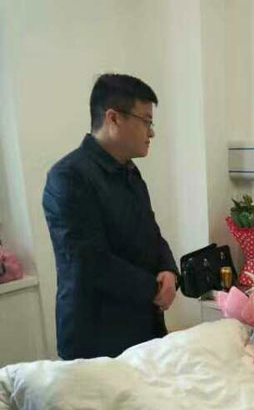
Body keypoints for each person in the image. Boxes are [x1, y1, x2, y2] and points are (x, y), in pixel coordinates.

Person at [43, 73, 179, 360]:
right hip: (96, 336)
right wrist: (154, 288)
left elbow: (150, 231)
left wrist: (169, 270)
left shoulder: (129, 171)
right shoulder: (68, 177)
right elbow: (90, 261)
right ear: (114, 118)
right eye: (146, 121)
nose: (151, 133)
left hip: (143, 324)